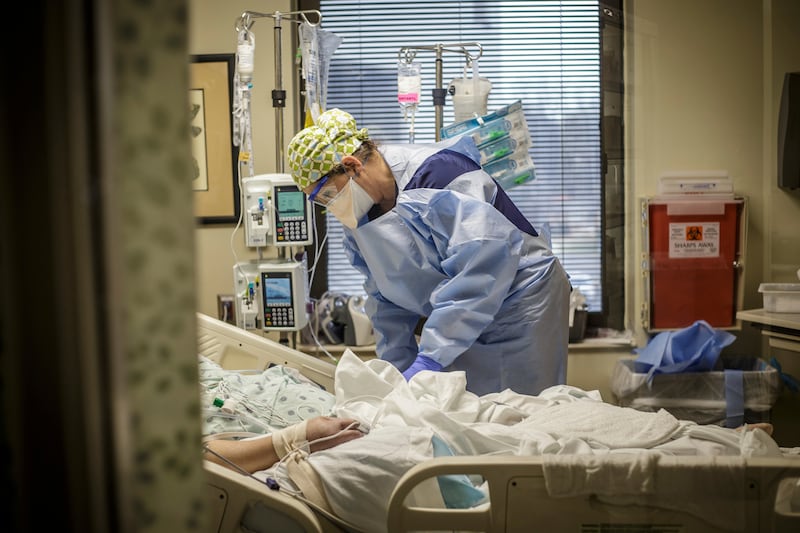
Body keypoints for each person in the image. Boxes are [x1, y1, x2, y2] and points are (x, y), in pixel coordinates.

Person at [287, 108, 571, 396]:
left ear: (351, 166)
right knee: (468, 416)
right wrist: (395, 369)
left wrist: (429, 358)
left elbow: (484, 259)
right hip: (458, 319)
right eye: (318, 200)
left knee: (523, 410)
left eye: (325, 193)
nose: (329, 205)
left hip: (520, 302)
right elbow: (385, 297)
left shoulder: (437, 174)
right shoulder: (361, 216)